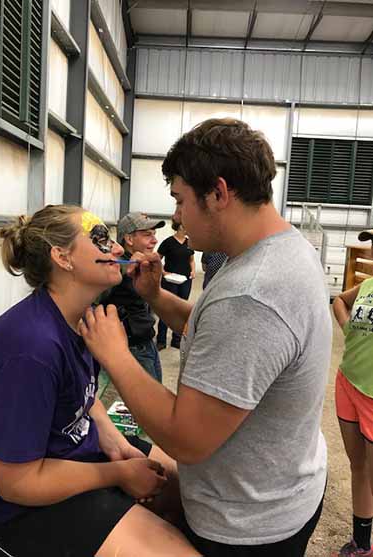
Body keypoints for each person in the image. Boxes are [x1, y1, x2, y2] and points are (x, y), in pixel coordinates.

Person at [79, 118, 332, 557]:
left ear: (218, 193)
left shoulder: (253, 294)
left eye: (180, 200)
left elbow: (186, 440)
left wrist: (116, 356)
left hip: (247, 528)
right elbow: (219, 333)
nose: (176, 216)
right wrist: (156, 296)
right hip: (281, 488)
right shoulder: (281, 249)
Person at [0, 204, 201, 557]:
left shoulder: (81, 319)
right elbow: (16, 483)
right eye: (100, 240)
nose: (116, 247)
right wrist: (118, 474)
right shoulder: (30, 349)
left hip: (77, 458)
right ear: (63, 258)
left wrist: (116, 442)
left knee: (196, 490)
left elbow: (83, 397)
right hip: (14, 511)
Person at [332, 229, 373, 557]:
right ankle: (361, 542)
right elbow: (339, 301)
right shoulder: (369, 285)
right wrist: (347, 326)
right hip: (348, 383)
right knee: (357, 467)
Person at [101, 212, 165, 382]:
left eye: (154, 234)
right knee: (150, 396)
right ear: (129, 239)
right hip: (133, 347)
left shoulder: (141, 264)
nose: (154, 240)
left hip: (146, 341)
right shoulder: (116, 267)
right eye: (147, 235)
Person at [156, 220, 195, 350]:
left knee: (181, 310)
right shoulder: (168, 242)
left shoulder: (189, 242)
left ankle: (176, 339)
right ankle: (161, 340)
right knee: (166, 309)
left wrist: (193, 271)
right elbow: (157, 259)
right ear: (180, 227)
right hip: (170, 280)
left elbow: (191, 260)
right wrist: (163, 272)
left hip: (185, 280)